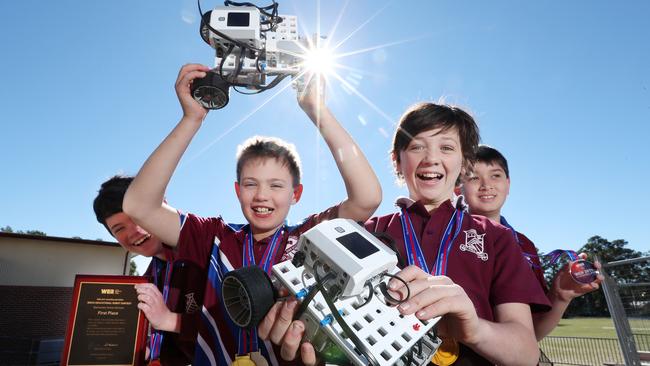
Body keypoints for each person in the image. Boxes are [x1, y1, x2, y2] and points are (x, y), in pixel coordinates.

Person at [122, 64, 382, 365]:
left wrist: (317, 109)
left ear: (295, 194)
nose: (261, 195)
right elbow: (139, 206)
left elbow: (367, 198)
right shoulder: (213, 236)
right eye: (250, 184)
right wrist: (192, 119)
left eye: (276, 185)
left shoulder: (310, 236)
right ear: (237, 190)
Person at [359, 102, 551, 365]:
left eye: (447, 148)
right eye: (417, 146)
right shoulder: (368, 232)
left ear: (465, 163)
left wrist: (474, 329)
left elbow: (526, 354)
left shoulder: (497, 236)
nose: (431, 158)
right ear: (397, 160)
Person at [461, 145, 603, 340]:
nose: (486, 184)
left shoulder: (524, 245)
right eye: (474, 177)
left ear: (508, 184)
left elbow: (530, 336)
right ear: (457, 186)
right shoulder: (449, 238)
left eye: (495, 175)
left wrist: (561, 297)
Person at [93, 175, 205, 365]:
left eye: (137, 218)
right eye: (119, 229)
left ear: (163, 206)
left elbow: (233, 327)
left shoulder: (208, 253)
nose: (133, 232)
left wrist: (170, 320)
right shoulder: (147, 279)